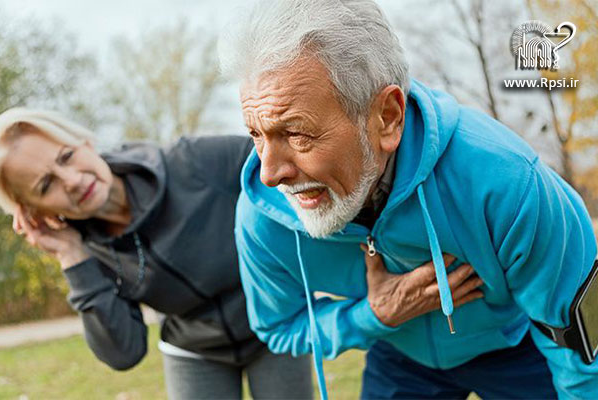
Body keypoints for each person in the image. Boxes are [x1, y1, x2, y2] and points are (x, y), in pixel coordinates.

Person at [218, 0, 598, 398]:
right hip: (401, 357)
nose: (269, 173)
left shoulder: (508, 181)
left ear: (387, 117)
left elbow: (583, 348)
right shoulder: (262, 215)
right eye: (257, 135)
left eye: (297, 134)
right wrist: (374, 316)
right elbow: (278, 327)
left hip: (515, 348)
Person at [0, 108, 313, 400]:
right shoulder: (88, 251)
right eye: (45, 185)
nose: (73, 180)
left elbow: (292, 169)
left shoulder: (194, 162)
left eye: (66, 156)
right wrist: (72, 256)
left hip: (274, 327)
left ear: (85, 143)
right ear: (36, 212)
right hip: (193, 351)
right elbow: (124, 353)